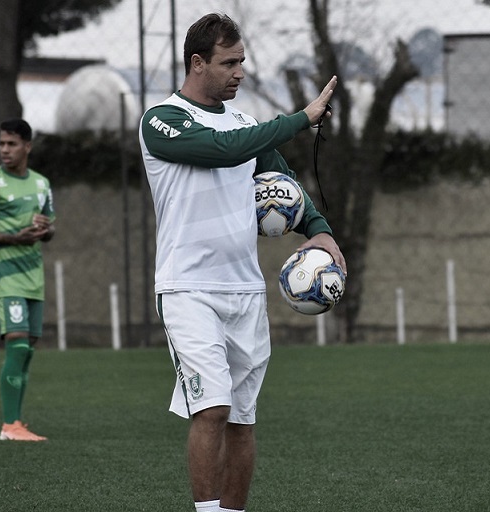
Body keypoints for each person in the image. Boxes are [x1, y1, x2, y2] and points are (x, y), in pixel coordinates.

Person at [138, 13, 346, 512]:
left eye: (243, 62)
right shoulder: (163, 120)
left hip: (246, 292)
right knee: (211, 408)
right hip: (188, 289)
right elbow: (221, 150)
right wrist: (301, 118)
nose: (240, 73)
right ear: (197, 63)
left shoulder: (247, 125)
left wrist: (320, 232)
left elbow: (284, 184)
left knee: (242, 419)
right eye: (229, 63)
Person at [0, 118, 56, 442]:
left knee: (27, 350)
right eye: (2, 144)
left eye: (12, 144)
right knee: (16, 346)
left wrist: (44, 230)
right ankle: (9, 425)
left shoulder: (42, 184)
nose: (5, 150)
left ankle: (15, 423)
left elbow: (50, 230)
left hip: (34, 277)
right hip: (6, 276)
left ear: (27, 146)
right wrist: (14, 238)